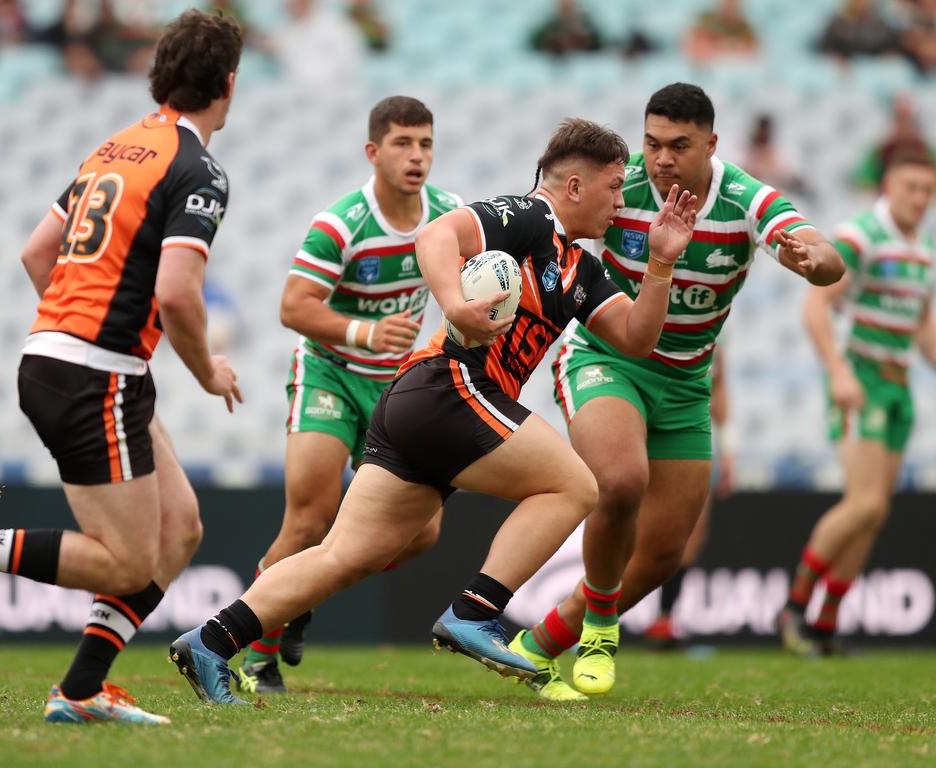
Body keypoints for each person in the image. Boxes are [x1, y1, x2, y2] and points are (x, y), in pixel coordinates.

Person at [167, 118, 698, 705]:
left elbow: (636, 339)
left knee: (345, 555)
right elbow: (435, 238)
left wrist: (661, 264)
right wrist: (457, 306)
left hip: (423, 401)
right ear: (573, 186)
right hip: (450, 384)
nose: (622, 203)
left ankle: (210, 641)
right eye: (614, 187)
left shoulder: (582, 268)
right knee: (574, 486)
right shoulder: (528, 216)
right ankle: (476, 612)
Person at [0, 10, 244, 725]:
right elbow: (178, 292)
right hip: (96, 371)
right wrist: (209, 371)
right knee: (126, 561)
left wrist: (79, 328)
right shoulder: (199, 168)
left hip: (80, 360)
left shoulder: (118, 147)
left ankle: (83, 689)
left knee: (180, 528)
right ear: (227, 84)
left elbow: (38, 252)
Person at [509, 83, 845, 701]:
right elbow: (551, 219)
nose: (661, 159)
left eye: (679, 146)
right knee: (620, 480)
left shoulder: (746, 199)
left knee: (665, 552)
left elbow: (824, 256)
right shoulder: (621, 186)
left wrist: (812, 261)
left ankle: (540, 642)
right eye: (652, 143)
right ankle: (602, 633)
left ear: (711, 145)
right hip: (606, 358)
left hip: (689, 382)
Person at [235, 96, 460, 695]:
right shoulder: (341, 223)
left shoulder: (448, 217)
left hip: (398, 386)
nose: (417, 157)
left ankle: (303, 593)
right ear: (373, 151)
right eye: (403, 144)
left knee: (424, 534)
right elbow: (293, 307)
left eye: (426, 144)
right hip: (330, 373)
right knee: (308, 516)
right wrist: (364, 331)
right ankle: (258, 654)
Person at [777, 150, 935, 657]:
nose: (920, 198)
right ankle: (794, 606)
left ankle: (826, 623)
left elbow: (921, 322)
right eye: (912, 187)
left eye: (928, 190)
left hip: (899, 384)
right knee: (863, 502)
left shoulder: (925, 246)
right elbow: (816, 304)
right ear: (888, 185)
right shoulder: (862, 234)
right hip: (861, 377)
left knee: (875, 512)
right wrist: (839, 372)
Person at [643, 346, 735, 648]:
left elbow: (719, 391)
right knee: (632, 528)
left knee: (691, 535)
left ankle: (665, 619)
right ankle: (593, 616)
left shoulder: (712, 335)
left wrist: (728, 450)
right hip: (649, 436)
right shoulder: (652, 323)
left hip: (692, 436)